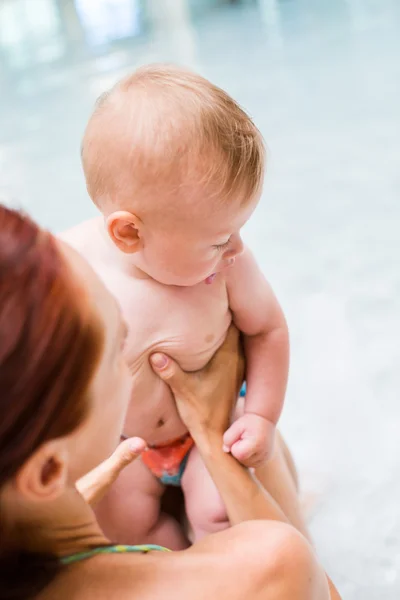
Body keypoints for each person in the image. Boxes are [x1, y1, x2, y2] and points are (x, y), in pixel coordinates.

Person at [0, 205, 341, 600]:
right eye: (119, 350)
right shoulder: (271, 566)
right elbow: (306, 579)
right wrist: (211, 436)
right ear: (46, 474)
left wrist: (56, 508)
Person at [62, 63, 290, 546]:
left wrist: (262, 417)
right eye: (218, 239)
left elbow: (268, 328)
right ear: (128, 233)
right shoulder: (72, 271)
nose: (237, 249)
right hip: (129, 446)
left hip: (215, 432)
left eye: (237, 231)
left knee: (219, 516)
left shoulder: (225, 267)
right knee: (124, 530)